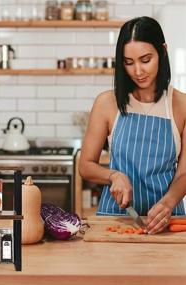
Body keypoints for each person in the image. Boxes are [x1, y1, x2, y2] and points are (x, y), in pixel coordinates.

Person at [79, 16, 186, 235]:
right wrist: (113, 175)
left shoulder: (181, 105)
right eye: (129, 62)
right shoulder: (106, 103)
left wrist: (167, 203)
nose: (137, 71)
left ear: (162, 51)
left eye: (145, 59)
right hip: (115, 219)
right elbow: (86, 165)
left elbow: (184, 174)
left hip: (168, 222)